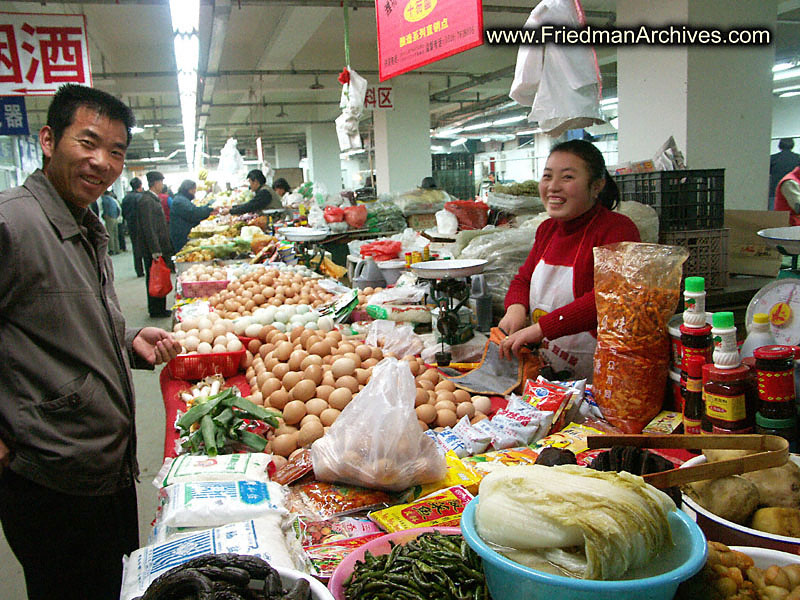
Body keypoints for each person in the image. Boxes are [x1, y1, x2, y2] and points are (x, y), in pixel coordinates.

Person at [0, 83, 181, 600]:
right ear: (49, 140)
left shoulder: (84, 223)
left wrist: (127, 342)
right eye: (88, 142)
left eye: (117, 151)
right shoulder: (13, 222)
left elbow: (55, 323)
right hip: (52, 477)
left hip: (103, 466)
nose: (102, 161)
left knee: (113, 584)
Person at [498, 139, 641, 380]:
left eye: (567, 177)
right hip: (552, 368)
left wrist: (541, 329)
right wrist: (515, 309)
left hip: (602, 375)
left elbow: (609, 298)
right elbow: (523, 279)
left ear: (596, 186)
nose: (553, 187)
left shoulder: (617, 230)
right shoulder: (547, 229)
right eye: (547, 176)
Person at [136, 170, 174, 318]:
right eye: (161, 182)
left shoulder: (153, 199)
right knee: (155, 278)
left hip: (158, 247)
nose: (162, 185)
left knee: (160, 276)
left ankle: (159, 307)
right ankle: (156, 310)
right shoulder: (146, 201)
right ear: (155, 183)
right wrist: (155, 250)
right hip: (153, 248)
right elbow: (149, 227)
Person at [169, 179, 214, 254]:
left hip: (182, 233)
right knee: (183, 254)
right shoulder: (180, 201)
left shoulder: (182, 199)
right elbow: (193, 213)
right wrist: (209, 209)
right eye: (193, 189)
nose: (195, 191)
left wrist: (208, 209)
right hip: (181, 236)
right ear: (187, 189)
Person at [122, 176, 146, 276]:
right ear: (140, 185)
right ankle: (148, 268)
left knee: (136, 248)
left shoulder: (126, 198)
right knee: (145, 248)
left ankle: (139, 270)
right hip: (142, 225)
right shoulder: (141, 197)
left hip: (131, 225)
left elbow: (123, 212)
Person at [769, 138, 800, 210]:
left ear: (779, 146)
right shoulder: (798, 158)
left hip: (775, 192)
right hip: (795, 192)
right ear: (792, 146)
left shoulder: (773, 158)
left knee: (774, 218)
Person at [101, 188, 121, 254]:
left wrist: (104, 216)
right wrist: (116, 216)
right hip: (115, 217)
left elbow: (105, 209)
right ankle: (117, 249)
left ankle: (111, 250)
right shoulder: (113, 200)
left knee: (110, 234)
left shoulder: (104, 200)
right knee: (115, 234)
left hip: (109, 218)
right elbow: (118, 209)